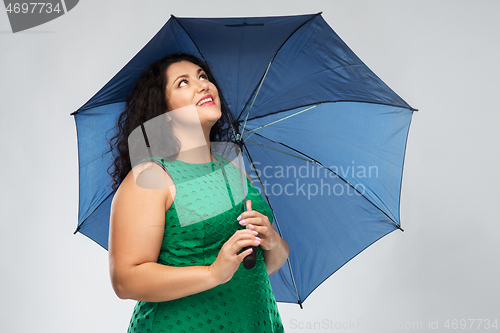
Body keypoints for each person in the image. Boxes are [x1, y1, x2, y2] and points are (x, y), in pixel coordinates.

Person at [107, 53, 289, 332]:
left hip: (255, 321)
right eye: (183, 83)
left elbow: (266, 265)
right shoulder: (151, 176)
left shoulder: (231, 169)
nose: (203, 85)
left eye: (203, 76)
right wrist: (213, 273)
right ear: (163, 111)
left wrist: (272, 241)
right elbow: (125, 280)